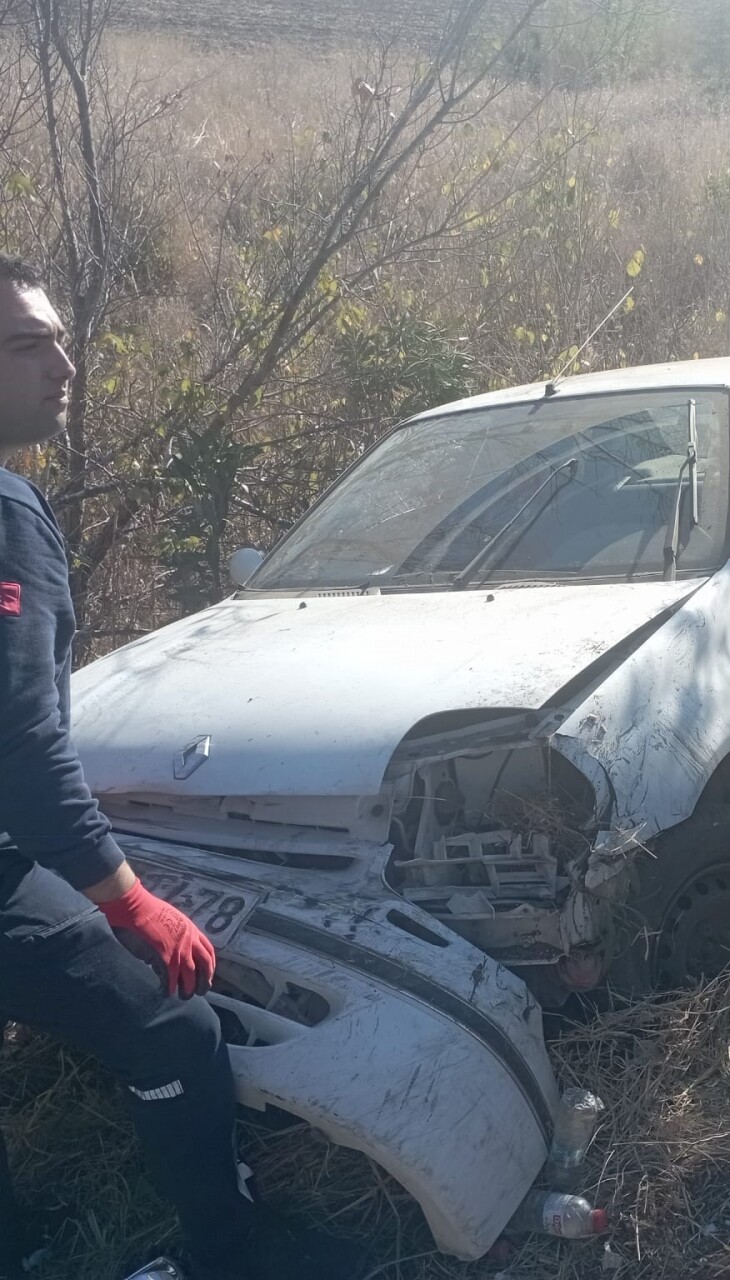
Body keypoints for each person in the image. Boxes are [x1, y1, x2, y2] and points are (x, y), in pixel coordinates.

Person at [0, 255, 362, 1280]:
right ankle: (230, 1254)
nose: (63, 363)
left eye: (61, 337)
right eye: (29, 345)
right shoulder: (5, 511)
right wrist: (127, 899)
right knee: (171, 1025)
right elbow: (17, 739)